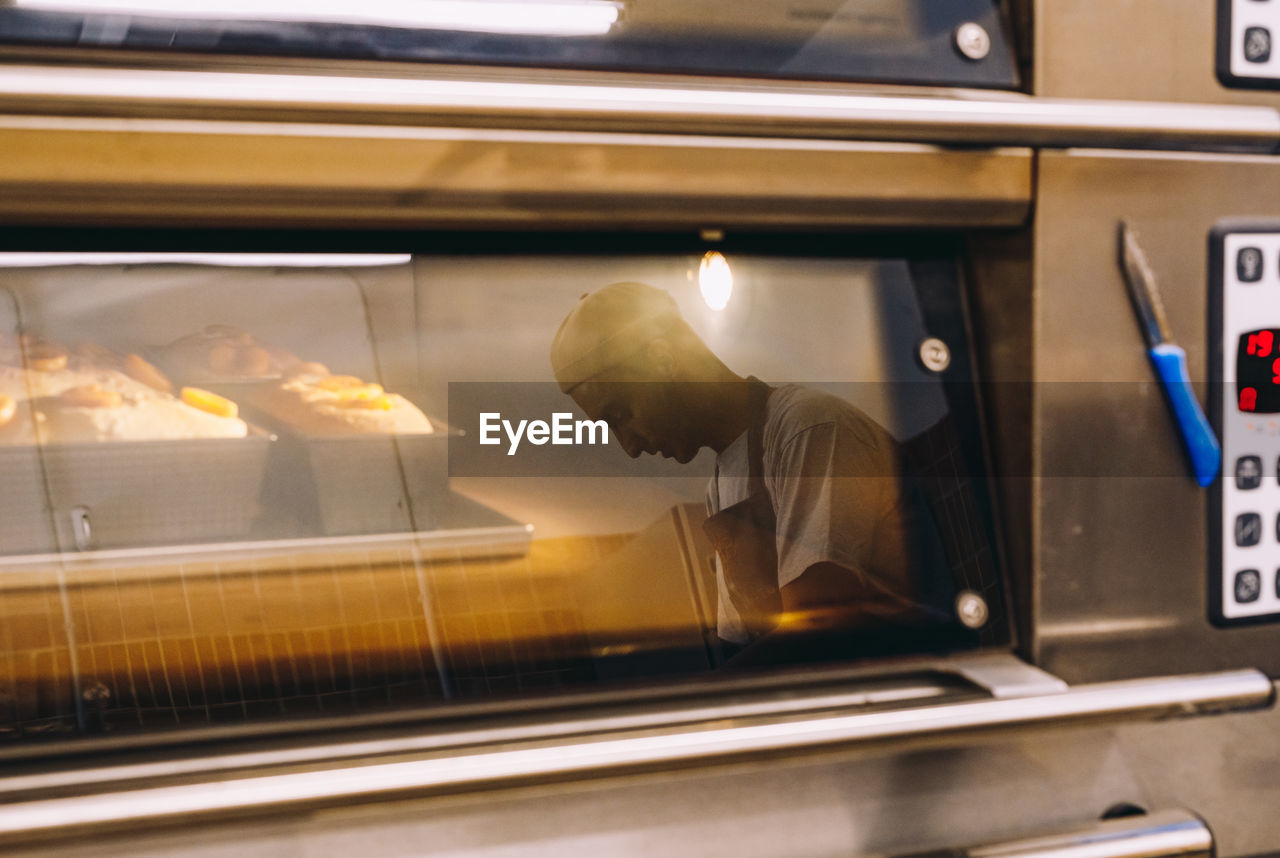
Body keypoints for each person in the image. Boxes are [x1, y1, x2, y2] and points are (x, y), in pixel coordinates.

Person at [550, 281, 957, 664]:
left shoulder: (807, 428)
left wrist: (693, 707)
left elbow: (818, 622)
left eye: (621, 415)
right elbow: (740, 643)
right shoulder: (720, 486)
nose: (631, 447)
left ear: (660, 360)